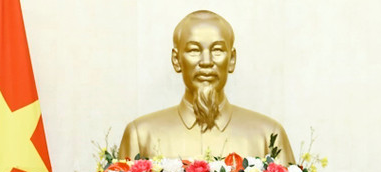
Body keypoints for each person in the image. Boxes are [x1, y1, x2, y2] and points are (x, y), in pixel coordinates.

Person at [118, 10, 295, 163]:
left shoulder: (267, 136)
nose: (206, 62)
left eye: (217, 50)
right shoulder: (141, 135)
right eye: (194, 50)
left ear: (231, 59)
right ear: (176, 60)